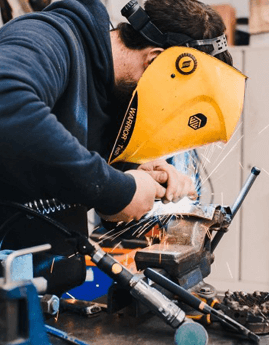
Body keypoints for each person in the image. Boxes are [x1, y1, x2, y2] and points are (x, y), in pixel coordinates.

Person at [0, 0, 233, 293]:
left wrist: (130, 169)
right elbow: (8, 107)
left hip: (34, 297)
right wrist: (117, 190)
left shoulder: (108, 94)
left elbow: (60, 157)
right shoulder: (50, 38)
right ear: (154, 61)